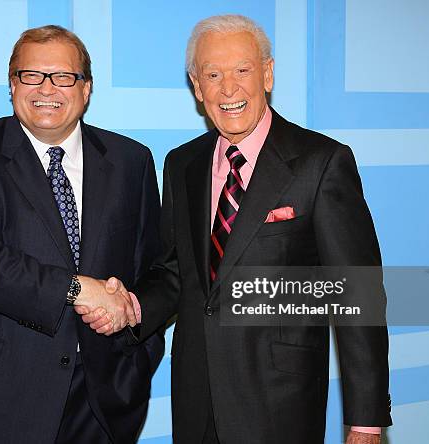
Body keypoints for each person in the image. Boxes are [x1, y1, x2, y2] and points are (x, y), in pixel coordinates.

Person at [80, 15, 391, 444]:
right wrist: (132, 307)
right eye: (213, 74)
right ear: (196, 85)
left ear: (267, 73)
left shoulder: (321, 162)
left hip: (281, 402)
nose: (228, 89)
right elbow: (176, 273)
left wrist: (365, 422)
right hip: (196, 399)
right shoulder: (181, 164)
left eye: (242, 70)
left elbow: (355, 293)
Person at [0, 25, 164, 444]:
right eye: (31, 75)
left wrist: (134, 337)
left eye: (63, 76)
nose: (46, 88)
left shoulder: (131, 161)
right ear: (12, 84)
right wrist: (76, 289)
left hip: (102, 400)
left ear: (85, 89)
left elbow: (153, 265)